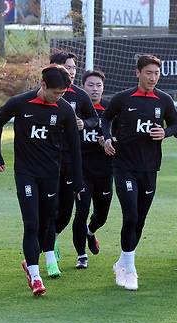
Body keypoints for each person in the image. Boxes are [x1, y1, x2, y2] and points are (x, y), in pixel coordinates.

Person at [0, 65, 83, 296]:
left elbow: (74, 147)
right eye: (56, 92)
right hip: (25, 173)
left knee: (47, 221)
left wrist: (78, 180)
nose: (59, 97)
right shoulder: (20, 103)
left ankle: (33, 261)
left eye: (63, 93)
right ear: (43, 85)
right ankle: (35, 277)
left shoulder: (64, 110)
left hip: (52, 174)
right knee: (31, 223)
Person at [101, 54, 177, 290]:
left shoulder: (164, 100)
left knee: (140, 220)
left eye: (156, 73)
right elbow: (105, 118)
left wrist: (164, 133)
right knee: (131, 215)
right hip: (123, 166)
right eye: (148, 73)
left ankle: (122, 262)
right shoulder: (123, 98)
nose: (153, 78)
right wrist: (106, 138)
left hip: (149, 168)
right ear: (138, 73)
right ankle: (130, 269)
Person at [46, 51, 98, 275]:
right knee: (49, 208)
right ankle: (46, 251)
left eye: (74, 68)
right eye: (67, 67)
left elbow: (95, 119)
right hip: (47, 160)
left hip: (70, 159)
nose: (72, 72)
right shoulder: (42, 96)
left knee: (65, 213)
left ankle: (52, 237)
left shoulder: (79, 95)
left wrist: (83, 124)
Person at [71, 70, 113, 269]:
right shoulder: (75, 109)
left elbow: (121, 135)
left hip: (105, 171)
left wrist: (109, 141)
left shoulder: (110, 109)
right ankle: (81, 255)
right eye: (90, 85)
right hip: (82, 171)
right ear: (83, 86)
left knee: (102, 215)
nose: (95, 89)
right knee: (81, 211)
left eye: (98, 85)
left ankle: (90, 231)